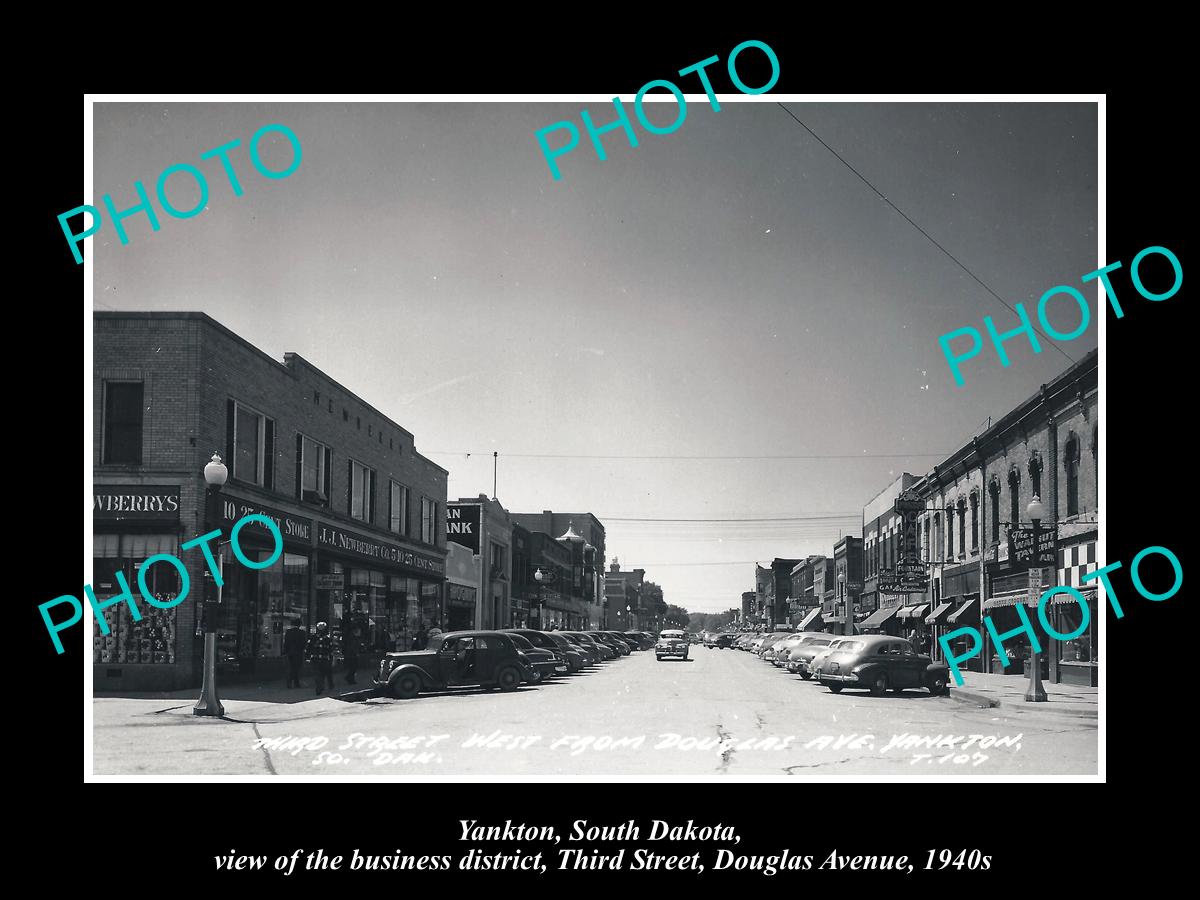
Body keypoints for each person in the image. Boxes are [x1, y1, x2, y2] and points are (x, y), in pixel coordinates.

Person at [306, 622, 334, 695]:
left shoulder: (312, 638)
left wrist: (307, 657)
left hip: (315, 658)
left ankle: (319, 687)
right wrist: (331, 659)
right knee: (322, 673)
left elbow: (308, 648)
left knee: (317, 673)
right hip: (324, 659)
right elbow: (331, 650)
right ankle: (320, 686)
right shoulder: (328, 639)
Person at [282, 618, 307, 688]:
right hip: (298, 652)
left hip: (289, 652)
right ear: (299, 625)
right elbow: (303, 643)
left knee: (292, 667)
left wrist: (285, 651)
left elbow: (286, 642)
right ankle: (291, 680)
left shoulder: (288, 632)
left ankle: (295, 682)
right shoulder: (302, 632)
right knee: (297, 668)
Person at [342, 615, 360, 685]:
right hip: (352, 654)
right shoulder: (352, 637)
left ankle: (350, 678)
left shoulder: (351, 636)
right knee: (353, 667)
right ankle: (350, 678)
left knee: (353, 667)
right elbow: (352, 646)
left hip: (350, 654)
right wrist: (356, 653)